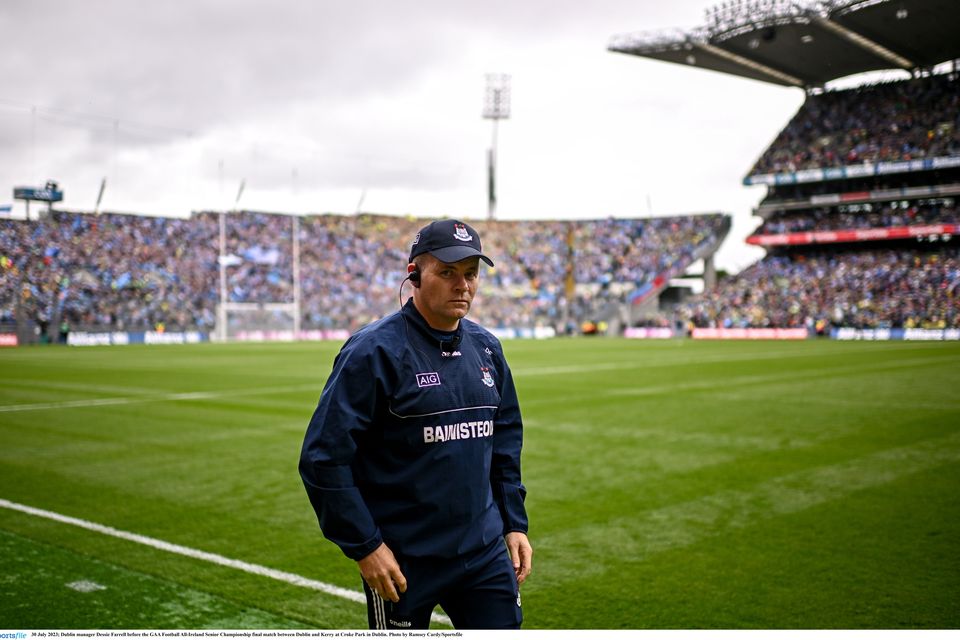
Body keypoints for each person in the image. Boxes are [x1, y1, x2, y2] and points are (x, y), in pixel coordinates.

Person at [299, 219, 532, 630]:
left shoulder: (488, 349)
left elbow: (505, 442)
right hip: (404, 562)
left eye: (471, 274)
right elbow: (323, 458)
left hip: (483, 553)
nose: (462, 285)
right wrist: (366, 547)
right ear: (414, 276)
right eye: (446, 272)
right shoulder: (373, 351)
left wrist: (514, 523)